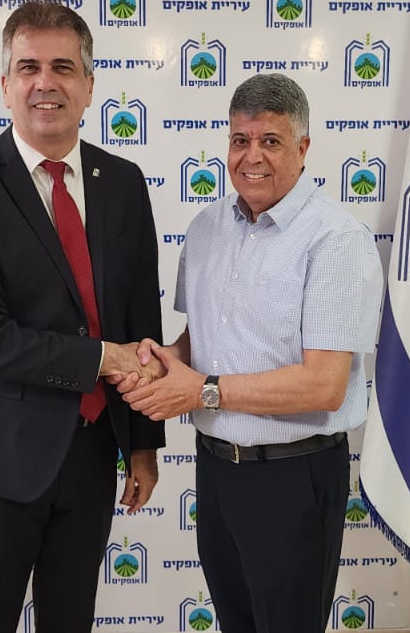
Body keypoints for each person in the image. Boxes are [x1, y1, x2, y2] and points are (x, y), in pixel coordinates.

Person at [0, 0, 166, 633]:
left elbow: (140, 318)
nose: (45, 83)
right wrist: (102, 359)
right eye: (28, 67)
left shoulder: (123, 182)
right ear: (6, 85)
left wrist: (143, 445)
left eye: (63, 67)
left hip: (91, 454)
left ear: (89, 85)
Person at [116, 73, 384, 633]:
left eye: (271, 141)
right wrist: (164, 361)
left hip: (294, 476)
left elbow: (324, 385)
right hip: (217, 472)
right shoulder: (206, 228)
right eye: (241, 140)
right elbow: (204, 338)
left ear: (303, 148)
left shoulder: (335, 239)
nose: (252, 156)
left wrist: (204, 391)